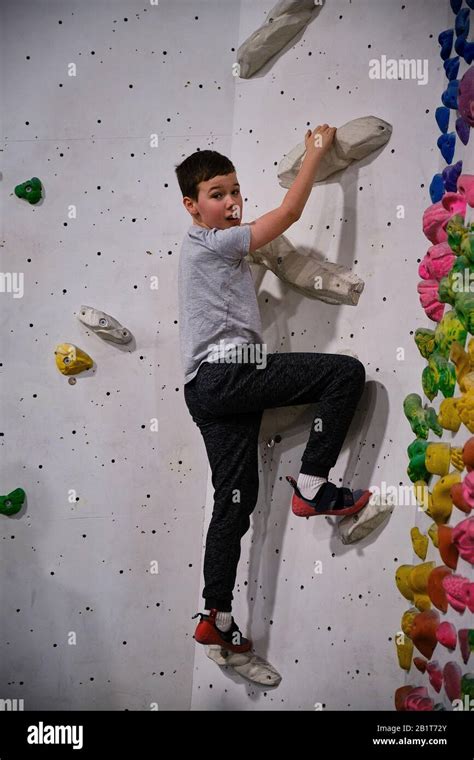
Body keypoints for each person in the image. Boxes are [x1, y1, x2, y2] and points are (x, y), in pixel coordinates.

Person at [174, 125, 372, 653]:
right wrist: (313, 154)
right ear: (192, 206)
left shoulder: (205, 252)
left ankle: (215, 613)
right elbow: (287, 216)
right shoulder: (215, 245)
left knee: (235, 503)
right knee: (344, 373)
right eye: (218, 195)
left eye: (236, 191)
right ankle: (312, 484)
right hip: (229, 372)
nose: (233, 202)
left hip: (203, 389)